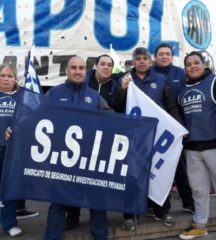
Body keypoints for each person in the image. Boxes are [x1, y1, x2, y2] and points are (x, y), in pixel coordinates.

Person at [113, 47, 182, 230]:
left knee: (160, 172)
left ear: (150, 62)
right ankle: (130, 215)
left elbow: (170, 106)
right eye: (138, 59)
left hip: (157, 135)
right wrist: (122, 89)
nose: (142, 61)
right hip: (132, 137)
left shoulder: (160, 79)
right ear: (133, 62)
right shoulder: (125, 79)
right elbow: (116, 106)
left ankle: (162, 211)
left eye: (145, 58)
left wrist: (179, 127)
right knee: (131, 176)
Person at [43, 56, 109, 240]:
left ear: (85, 70)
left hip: (90, 161)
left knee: (97, 203)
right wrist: (16, 129)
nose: (78, 71)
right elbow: (37, 119)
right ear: (67, 71)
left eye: (81, 67)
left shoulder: (95, 96)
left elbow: (111, 120)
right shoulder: (54, 94)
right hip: (62, 160)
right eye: (74, 68)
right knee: (57, 205)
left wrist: (132, 127)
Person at [178, 51, 216, 240]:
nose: (193, 66)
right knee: (198, 190)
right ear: (185, 68)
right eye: (189, 64)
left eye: (196, 62)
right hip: (192, 149)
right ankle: (200, 225)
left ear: (204, 65)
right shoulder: (182, 91)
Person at [63, 54, 122, 231]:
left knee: (96, 187)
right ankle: (72, 217)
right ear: (94, 66)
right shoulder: (79, 83)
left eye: (109, 65)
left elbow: (111, 112)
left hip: (96, 146)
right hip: (71, 146)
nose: (105, 67)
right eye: (102, 64)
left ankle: (99, 227)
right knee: (71, 184)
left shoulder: (113, 86)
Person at [152, 43, 194, 214]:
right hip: (156, 130)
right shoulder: (149, 73)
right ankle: (155, 205)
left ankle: (188, 202)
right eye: (161, 54)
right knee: (156, 169)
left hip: (178, 128)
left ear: (171, 56)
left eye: (167, 54)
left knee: (180, 167)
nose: (164, 56)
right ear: (155, 57)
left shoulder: (180, 73)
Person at [0, 63, 22, 237]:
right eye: (2, 75)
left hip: (13, 151)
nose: (6, 79)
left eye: (9, 76)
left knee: (9, 188)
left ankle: (9, 223)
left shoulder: (23, 97)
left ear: (15, 78)